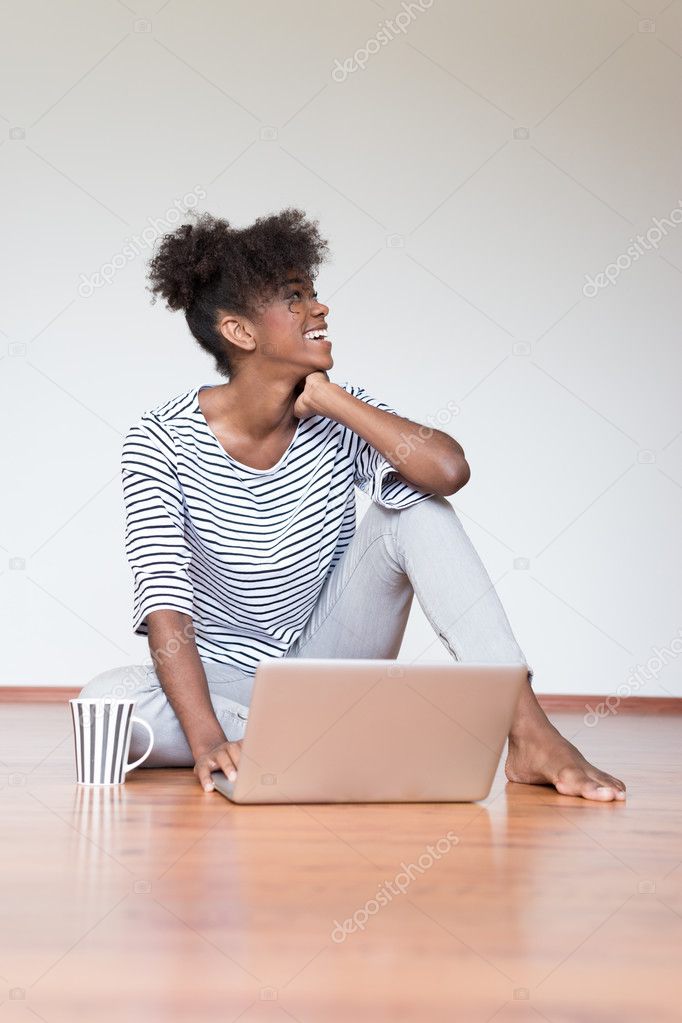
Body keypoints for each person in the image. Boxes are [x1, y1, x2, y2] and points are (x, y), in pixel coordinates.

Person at [79, 208, 626, 802]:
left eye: (314, 293)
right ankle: (312, 744)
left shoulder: (343, 413)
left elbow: (447, 472)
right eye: (295, 298)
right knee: (105, 701)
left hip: (324, 664)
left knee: (416, 508)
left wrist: (339, 404)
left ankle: (529, 732)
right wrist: (209, 737)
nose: (320, 309)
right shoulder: (162, 437)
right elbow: (165, 606)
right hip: (221, 682)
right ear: (241, 332)